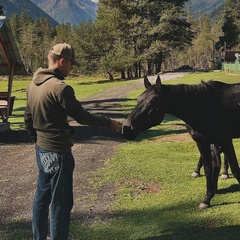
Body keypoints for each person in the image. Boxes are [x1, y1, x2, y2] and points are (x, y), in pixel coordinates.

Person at [24, 43, 122, 240]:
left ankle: (39, 237)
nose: (72, 67)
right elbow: (81, 116)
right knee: (61, 201)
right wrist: (108, 123)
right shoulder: (61, 88)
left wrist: (35, 139)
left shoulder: (32, 85)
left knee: (42, 196)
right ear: (62, 61)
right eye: (71, 63)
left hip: (41, 149)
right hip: (59, 152)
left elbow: (28, 117)